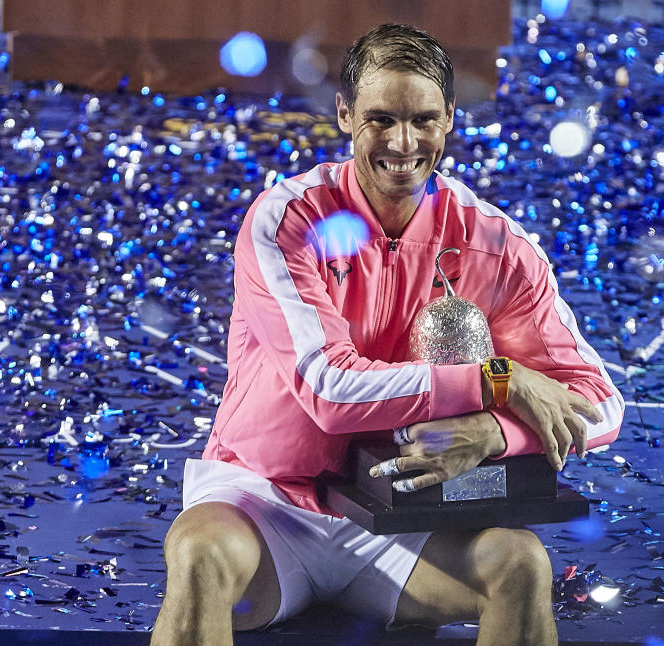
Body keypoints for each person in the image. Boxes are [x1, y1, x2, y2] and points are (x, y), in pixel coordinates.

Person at [151, 23, 624, 646]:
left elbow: (601, 404)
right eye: (381, 119)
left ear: (451, 118)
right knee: (198, 554)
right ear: (345, 115)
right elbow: (329, 389)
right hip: (269, 503)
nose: (404, 142)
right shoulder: (290, 220)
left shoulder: (495, 243)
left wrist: (494, 431)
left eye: (424, 119)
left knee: (521, 564)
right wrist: (497, 381)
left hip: (409, 515)